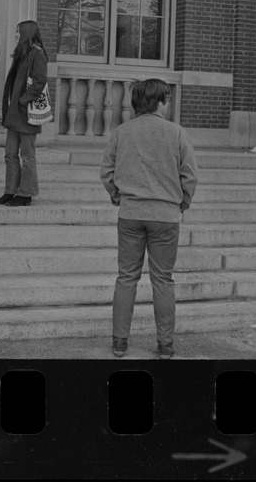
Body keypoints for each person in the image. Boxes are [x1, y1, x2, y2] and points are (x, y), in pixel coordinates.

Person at [100, 79, 199, 359]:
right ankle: (165, 344)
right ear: (157, 102)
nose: (168, 104)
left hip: (131, 213)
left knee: (126, 278)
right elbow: (189, 175)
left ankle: (120, 342)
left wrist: (118, 196)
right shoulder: (176, 133)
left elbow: (106, 172)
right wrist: (182, 203)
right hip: (166, 216)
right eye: (166, 99)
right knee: (163, 280)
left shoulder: (122, 132)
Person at [0, 20, 48, 207]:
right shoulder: (22, 54)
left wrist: (23, 100)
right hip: (15, 113)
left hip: (27, 113)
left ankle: (26, 193)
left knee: (27, 155)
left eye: (18, 32)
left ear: (26, 32)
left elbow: (39, 83)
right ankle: (10, 191)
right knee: (10, 154)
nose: (15, 35)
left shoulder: (37, 54)